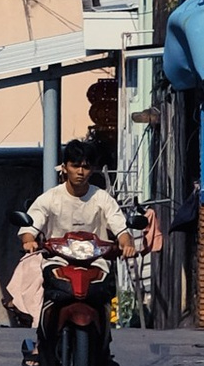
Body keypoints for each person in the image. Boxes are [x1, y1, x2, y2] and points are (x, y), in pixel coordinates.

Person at [10, 145, 133, 352]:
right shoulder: (50, 198)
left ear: (92, 169)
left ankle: (103, 344)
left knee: (104, 296)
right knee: (49, 295)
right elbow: (31, 225)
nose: (80, 171)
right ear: (65, 168)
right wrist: (29, 240)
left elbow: (119, 226)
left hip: (96, 261)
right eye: (75, 166)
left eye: (85, 167)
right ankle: (41, 343)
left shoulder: (102, 198)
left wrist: (127, 243)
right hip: (58, 259)